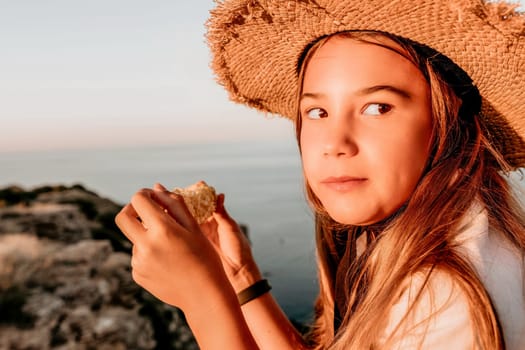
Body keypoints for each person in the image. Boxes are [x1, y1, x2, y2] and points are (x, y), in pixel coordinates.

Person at [115, 0, 525, 349]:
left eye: (377, 107)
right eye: (317, 112)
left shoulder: (446, 300)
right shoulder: (407, 237)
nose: (335, 142)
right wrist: (239, 277)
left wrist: (202, 300)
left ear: (450, 126)